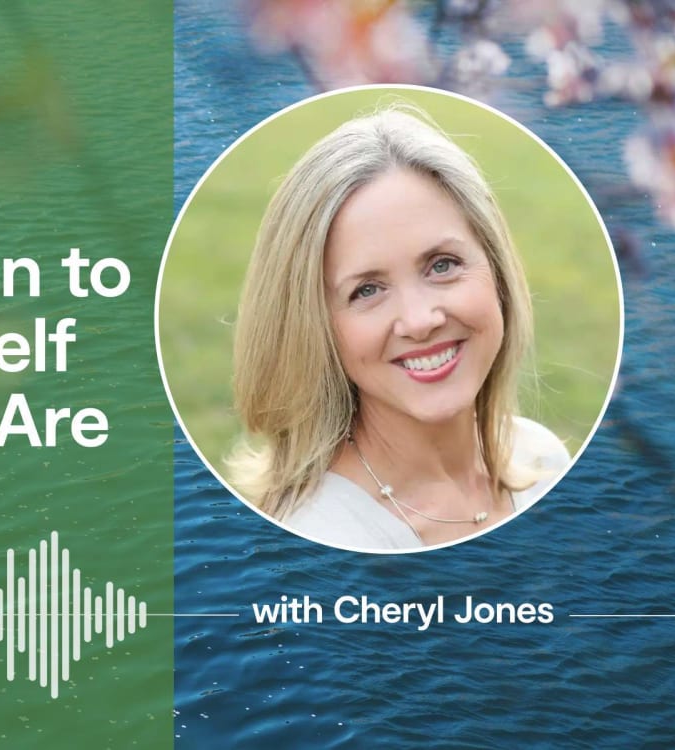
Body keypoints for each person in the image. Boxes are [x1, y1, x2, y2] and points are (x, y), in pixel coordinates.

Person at [229, 106, 570, 551]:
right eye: (367, 290)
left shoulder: (543, 460)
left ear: (497, 271)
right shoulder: (321, 541)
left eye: (442, 265)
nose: (419, 320)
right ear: (312, 326)